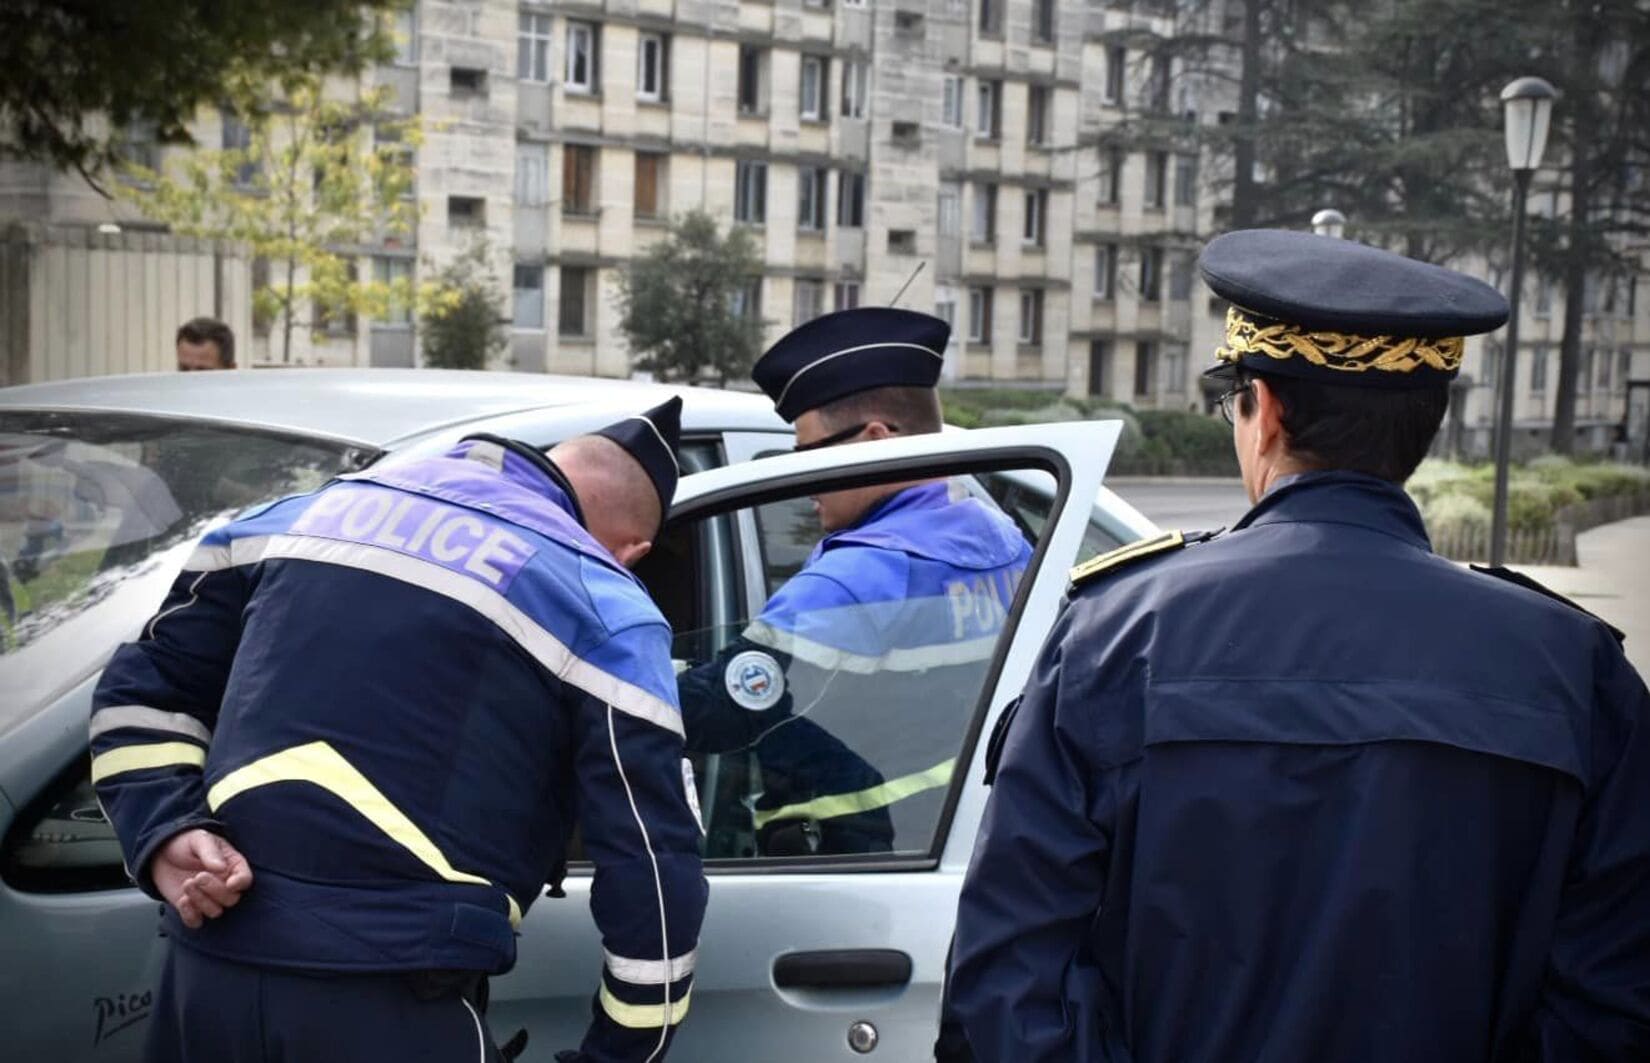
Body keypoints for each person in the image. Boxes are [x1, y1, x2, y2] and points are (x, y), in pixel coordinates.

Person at [949, 229, 1650, 1062]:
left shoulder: (1114, 634)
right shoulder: (1573, 666)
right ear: (1426, 423)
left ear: (1266, 410)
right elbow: (1614, 1005)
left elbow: (1005, 995)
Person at [90, 398, 708, 1063]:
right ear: (633, 549)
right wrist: (621, 1052)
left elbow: (141, 686)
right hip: (396, 999)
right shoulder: (602, 600)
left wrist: (165, 828)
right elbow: (651, 863)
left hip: (205, 972)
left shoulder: (288, 519)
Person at [677, 307, 1034, 857]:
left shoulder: (858, 575)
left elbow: (723, 708)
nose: (802, 481)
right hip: (966, 842)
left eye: (809, 455)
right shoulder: (1003, 539)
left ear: (874, 439)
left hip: (842, 853)